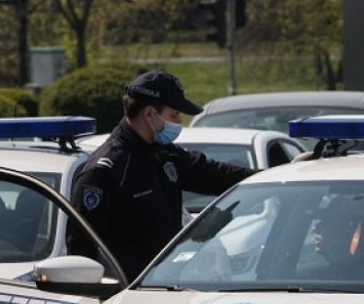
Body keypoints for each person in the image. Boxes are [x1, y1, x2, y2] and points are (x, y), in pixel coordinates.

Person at [67, 69, 254, 281]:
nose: (179, 122)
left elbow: (217, 175)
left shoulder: (164, 154)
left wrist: (277, 173)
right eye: (174, 115)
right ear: (149, 114)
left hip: (165, 287)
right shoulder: (103, 173)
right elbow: (81, 254)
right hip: (127, 299)